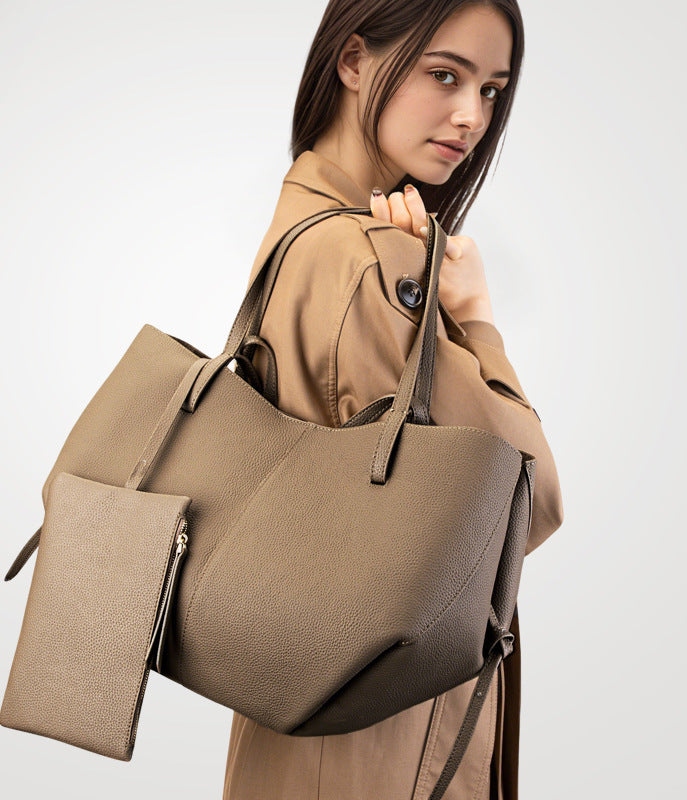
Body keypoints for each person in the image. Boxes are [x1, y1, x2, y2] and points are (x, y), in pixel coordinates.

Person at [222, 1, 564, 798]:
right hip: (378, 750)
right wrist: (476, 321)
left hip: (302, 730)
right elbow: (528, 501)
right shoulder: (366, 257)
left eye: (491, 90)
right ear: (353, 62)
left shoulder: (301, 228)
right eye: (445, 75)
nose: (471, 116)